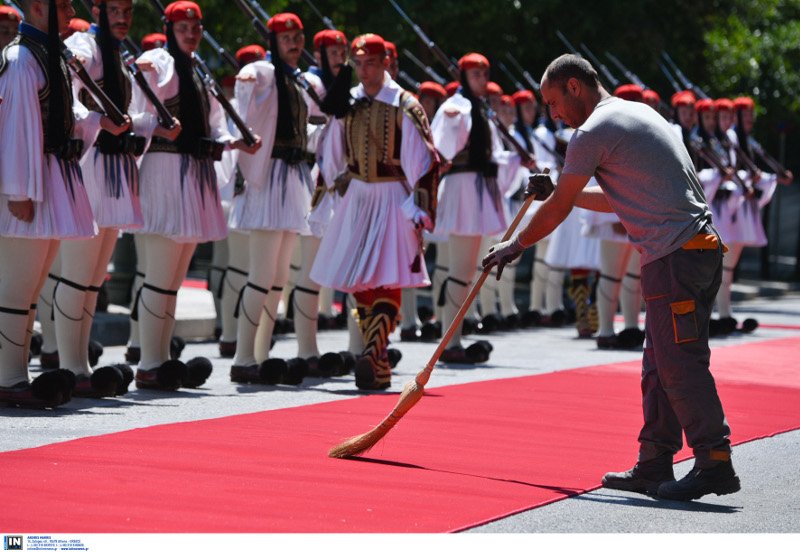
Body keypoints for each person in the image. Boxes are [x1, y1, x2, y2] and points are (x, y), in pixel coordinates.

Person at [483, 54, 740, 501]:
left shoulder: (592, 131)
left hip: (675, 257)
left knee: (678, 364)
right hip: (688, 252)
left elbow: (559, 208)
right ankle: (654, 463)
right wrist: (563, 190)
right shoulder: (632, 112)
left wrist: (515, 245)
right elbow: (616, 195)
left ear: (574, 87)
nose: (553, 114)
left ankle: (714, 460)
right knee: (659, 365)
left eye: (553, 102)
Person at [0, 0, 128, 407]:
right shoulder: (21, 59)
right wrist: (19, 191)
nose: (71, 8)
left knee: (34, 284)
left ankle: (16, 373)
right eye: (63, 3)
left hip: (53, 176)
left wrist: (96, 121)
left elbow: (65, 111)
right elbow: (16, 128)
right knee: (18, 286)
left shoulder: (48, 54)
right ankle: (9, 377)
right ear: (39, 6)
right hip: (31, 180)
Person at [130, 1, 258, 391]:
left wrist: (234, 141)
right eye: (183, 27)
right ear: (169, 28)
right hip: (165, 173)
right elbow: (147, 90)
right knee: (159, 274)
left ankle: (161, 357)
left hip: (193, 175)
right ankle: (149, 361)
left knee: (172, 278)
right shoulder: (161, 61)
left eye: (195, 27)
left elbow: (215, 125)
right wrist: (159, 60)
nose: (191, 33)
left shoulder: (198, 71)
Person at [310, 33, 439, 390]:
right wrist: (324, 196)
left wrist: (419, 208)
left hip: (392, 196)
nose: (364, 71)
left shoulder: (404, 104)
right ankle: (377, 358)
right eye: (359, 64)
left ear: (386, 63)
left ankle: (373, 351)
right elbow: (330, 153)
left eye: (371, 63)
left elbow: (425, 160)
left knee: (387, 273)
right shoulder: (346, 102)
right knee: (358, 276)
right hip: (358, 195)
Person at [227, 12, 323, 385]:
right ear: (273, 42)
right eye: (286, 38)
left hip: (292, 179)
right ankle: (242, 356)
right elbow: (252, 85)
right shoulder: (266, 73)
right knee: (261, 274)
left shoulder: (299, 81)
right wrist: (251, 75)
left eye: (298, 37)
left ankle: (262, 354)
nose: (295, 43)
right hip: (269, 181)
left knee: (279, 276)